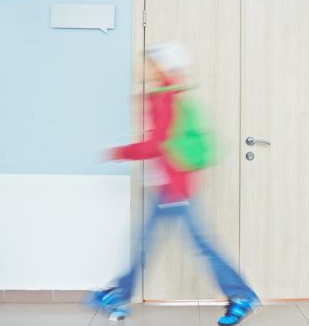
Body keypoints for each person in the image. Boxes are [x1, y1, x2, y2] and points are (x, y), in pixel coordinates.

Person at [85, 42, 259, 326]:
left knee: (196, 244)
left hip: (174, 187)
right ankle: (118, 294)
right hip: (170, 185)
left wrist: (119, 152)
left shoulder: (165, 98)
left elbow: (158, 144)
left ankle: (241, 295)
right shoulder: (168, 95)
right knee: (146, 242)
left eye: (148, 63)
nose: (142, 68)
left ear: (161, 67)